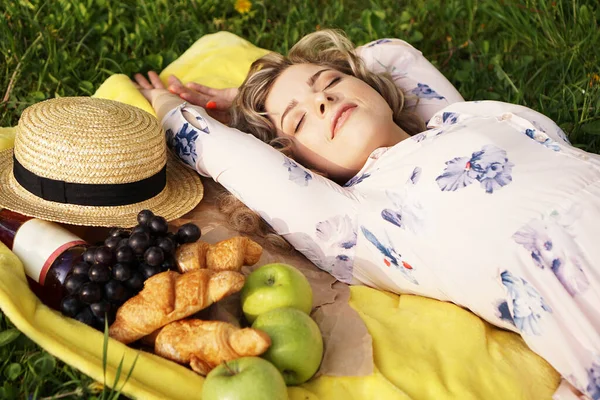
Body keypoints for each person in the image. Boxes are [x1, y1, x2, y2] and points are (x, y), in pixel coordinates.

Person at [134, 29, 600, 399]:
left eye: (331, 82)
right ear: (293, 161)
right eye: (298, 120)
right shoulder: (357, 221)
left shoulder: (451, 117)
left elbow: (390, 55)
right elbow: (210, 145)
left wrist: (252, 90)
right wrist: (169, 103)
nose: (323, 101)